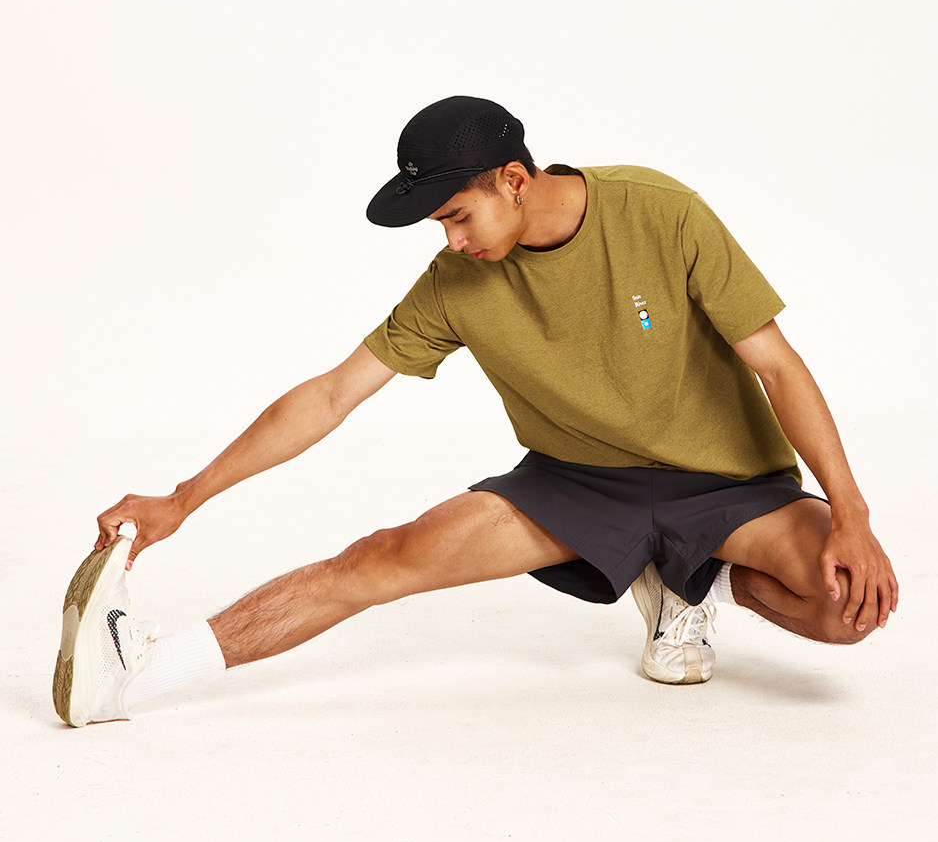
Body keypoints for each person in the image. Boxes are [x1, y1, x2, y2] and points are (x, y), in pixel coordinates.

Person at [53, 95, 898, 728]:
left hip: (724, 481)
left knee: (845, 606)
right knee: (378, 559)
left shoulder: (660, 211)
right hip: (578, 485)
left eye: (457, 216)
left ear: (515, 181)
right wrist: (184, 498)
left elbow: (777, 365)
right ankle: (139, 671)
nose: (451, 240)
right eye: (438, 224)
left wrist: (851, 513)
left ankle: (691, 575)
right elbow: (331, 394)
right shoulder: (455, 284)